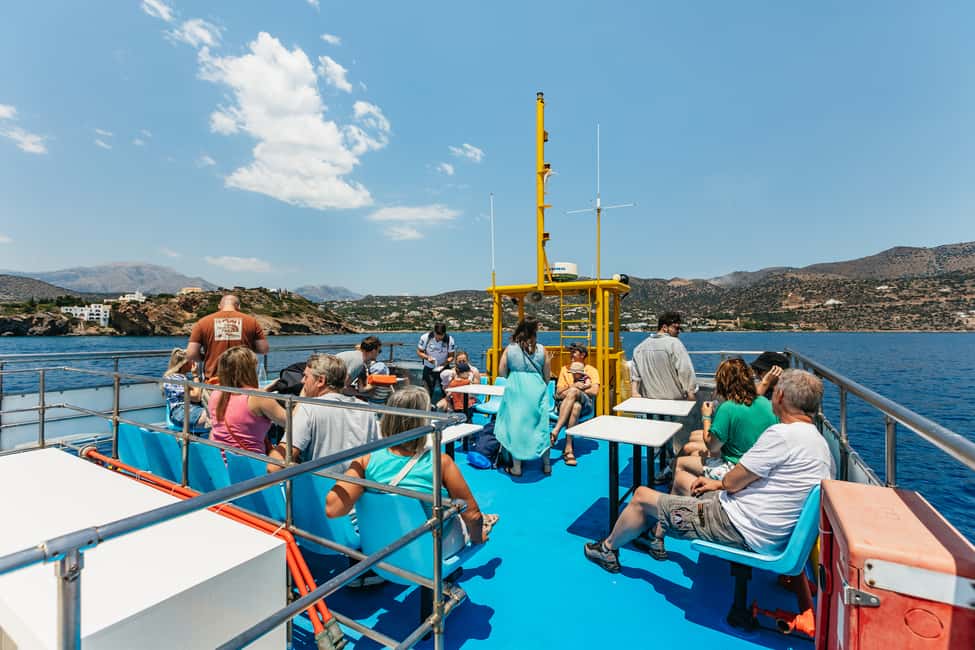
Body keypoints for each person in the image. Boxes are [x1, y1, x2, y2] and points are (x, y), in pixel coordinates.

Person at [584, 369, 832, 572]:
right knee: (683, 482)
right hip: (766, 529)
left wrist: (722, 483)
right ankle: (655, 537)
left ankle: (607, 549)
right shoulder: (818, 442)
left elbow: (733, 481)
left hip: (736, 527)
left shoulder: (782, 435)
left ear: (780, 396)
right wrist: (717, 484)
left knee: (641, 495)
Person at [326, 386, 498, 545]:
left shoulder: (366, 460)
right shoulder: (441, 463)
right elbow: (472, 516)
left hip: (382, 546)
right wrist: (478, 538)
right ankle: (486, 521)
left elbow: (333, 509)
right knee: (469, 517)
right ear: (424, 422)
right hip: (431, 549)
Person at [672, 357, 778, 495]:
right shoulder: (766, 403)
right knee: (692, 450)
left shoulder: (728, 408)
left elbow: (713, 447)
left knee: (679, 463)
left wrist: (706, 417)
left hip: (736, 471)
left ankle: (679, 499)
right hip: (759, 470)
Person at [268, 354, 380, 472]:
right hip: (355, 481)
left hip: (321, 482)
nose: (302, 381)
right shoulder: (366, 409)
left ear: (321, 381)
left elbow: (274, 466)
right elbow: (373, 456)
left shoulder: (309, 409)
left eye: (306, 377)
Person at [494, 317, 552, 476]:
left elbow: (502, 372)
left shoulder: (510, 349)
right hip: (536, 389)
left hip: (516, 389)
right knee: (540, 427)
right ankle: (547, 465)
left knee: (516, 427)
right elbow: (547, 376)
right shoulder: (542, 350)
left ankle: (517, 467)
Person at [208, 347, 287, 454]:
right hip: (251, 462)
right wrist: (303, 394)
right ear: (249, 370)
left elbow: (237, 402)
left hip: (217, 460)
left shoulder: (216, 393)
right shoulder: (259, 398)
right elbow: (291, 422)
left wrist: (265, 390)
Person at [187, 294, 269, 380]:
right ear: (239, 306)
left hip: (215, 380)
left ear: (219, 306)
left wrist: (206, 357)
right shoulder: (252, 322)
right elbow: (264, 349)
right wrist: (248, 349)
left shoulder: (203, 322)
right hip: (244, 379)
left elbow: (191, 354)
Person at [550, 344, 600, 467]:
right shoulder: (564, 369)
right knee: (575, 407)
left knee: (573, 393)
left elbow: (594, 391)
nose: (571, 355)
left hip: (586, 405)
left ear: (582, 355)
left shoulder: (591, 371)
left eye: (574, 352)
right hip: (566, 404)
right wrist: (573, 387)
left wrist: (577, 390)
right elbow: (558, 393)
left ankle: (556, 430)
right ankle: (568, 448)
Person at [629, 311, 697, 401]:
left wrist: (634, 392)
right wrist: (691, 394)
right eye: (676, 328)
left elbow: (635, 376)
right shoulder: (674, 343)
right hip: (674, 401)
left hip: (648, 401)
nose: (678, 331)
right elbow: (685, 370)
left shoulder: (639, 348)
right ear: (664, 327)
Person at [162, 347, 209, 430]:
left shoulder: (176, 378)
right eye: (191, 361)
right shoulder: (175, 379)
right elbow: (196, 397)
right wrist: (195, 375)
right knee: (217, 417)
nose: (194, 363)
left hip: (187, 410)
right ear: (185, 364)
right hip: (181, 413)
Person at [417, 323, 455, 397]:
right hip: (429, 368)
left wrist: (443, 364)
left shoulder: (450, 339)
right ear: (434, 332)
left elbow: (451, 356)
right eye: (437, 337)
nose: (438, 339)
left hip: (444, 369)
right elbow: (419, 352)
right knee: (426, 392)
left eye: (441, 337)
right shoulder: (425, 337)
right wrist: (427, 358)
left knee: (447, 392)